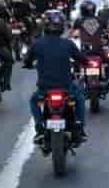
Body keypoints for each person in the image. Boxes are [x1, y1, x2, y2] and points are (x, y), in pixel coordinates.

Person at [23, 10, 87, 144]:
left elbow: (27, 60)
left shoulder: (38, 43)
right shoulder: (68, 43)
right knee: (80, 97)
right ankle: (79, 125)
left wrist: (28, 64)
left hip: (45, 88)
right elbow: (82, 59)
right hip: (66, 87)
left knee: (33, 101)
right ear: (61, 26)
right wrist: (84, 62)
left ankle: (39, 127)